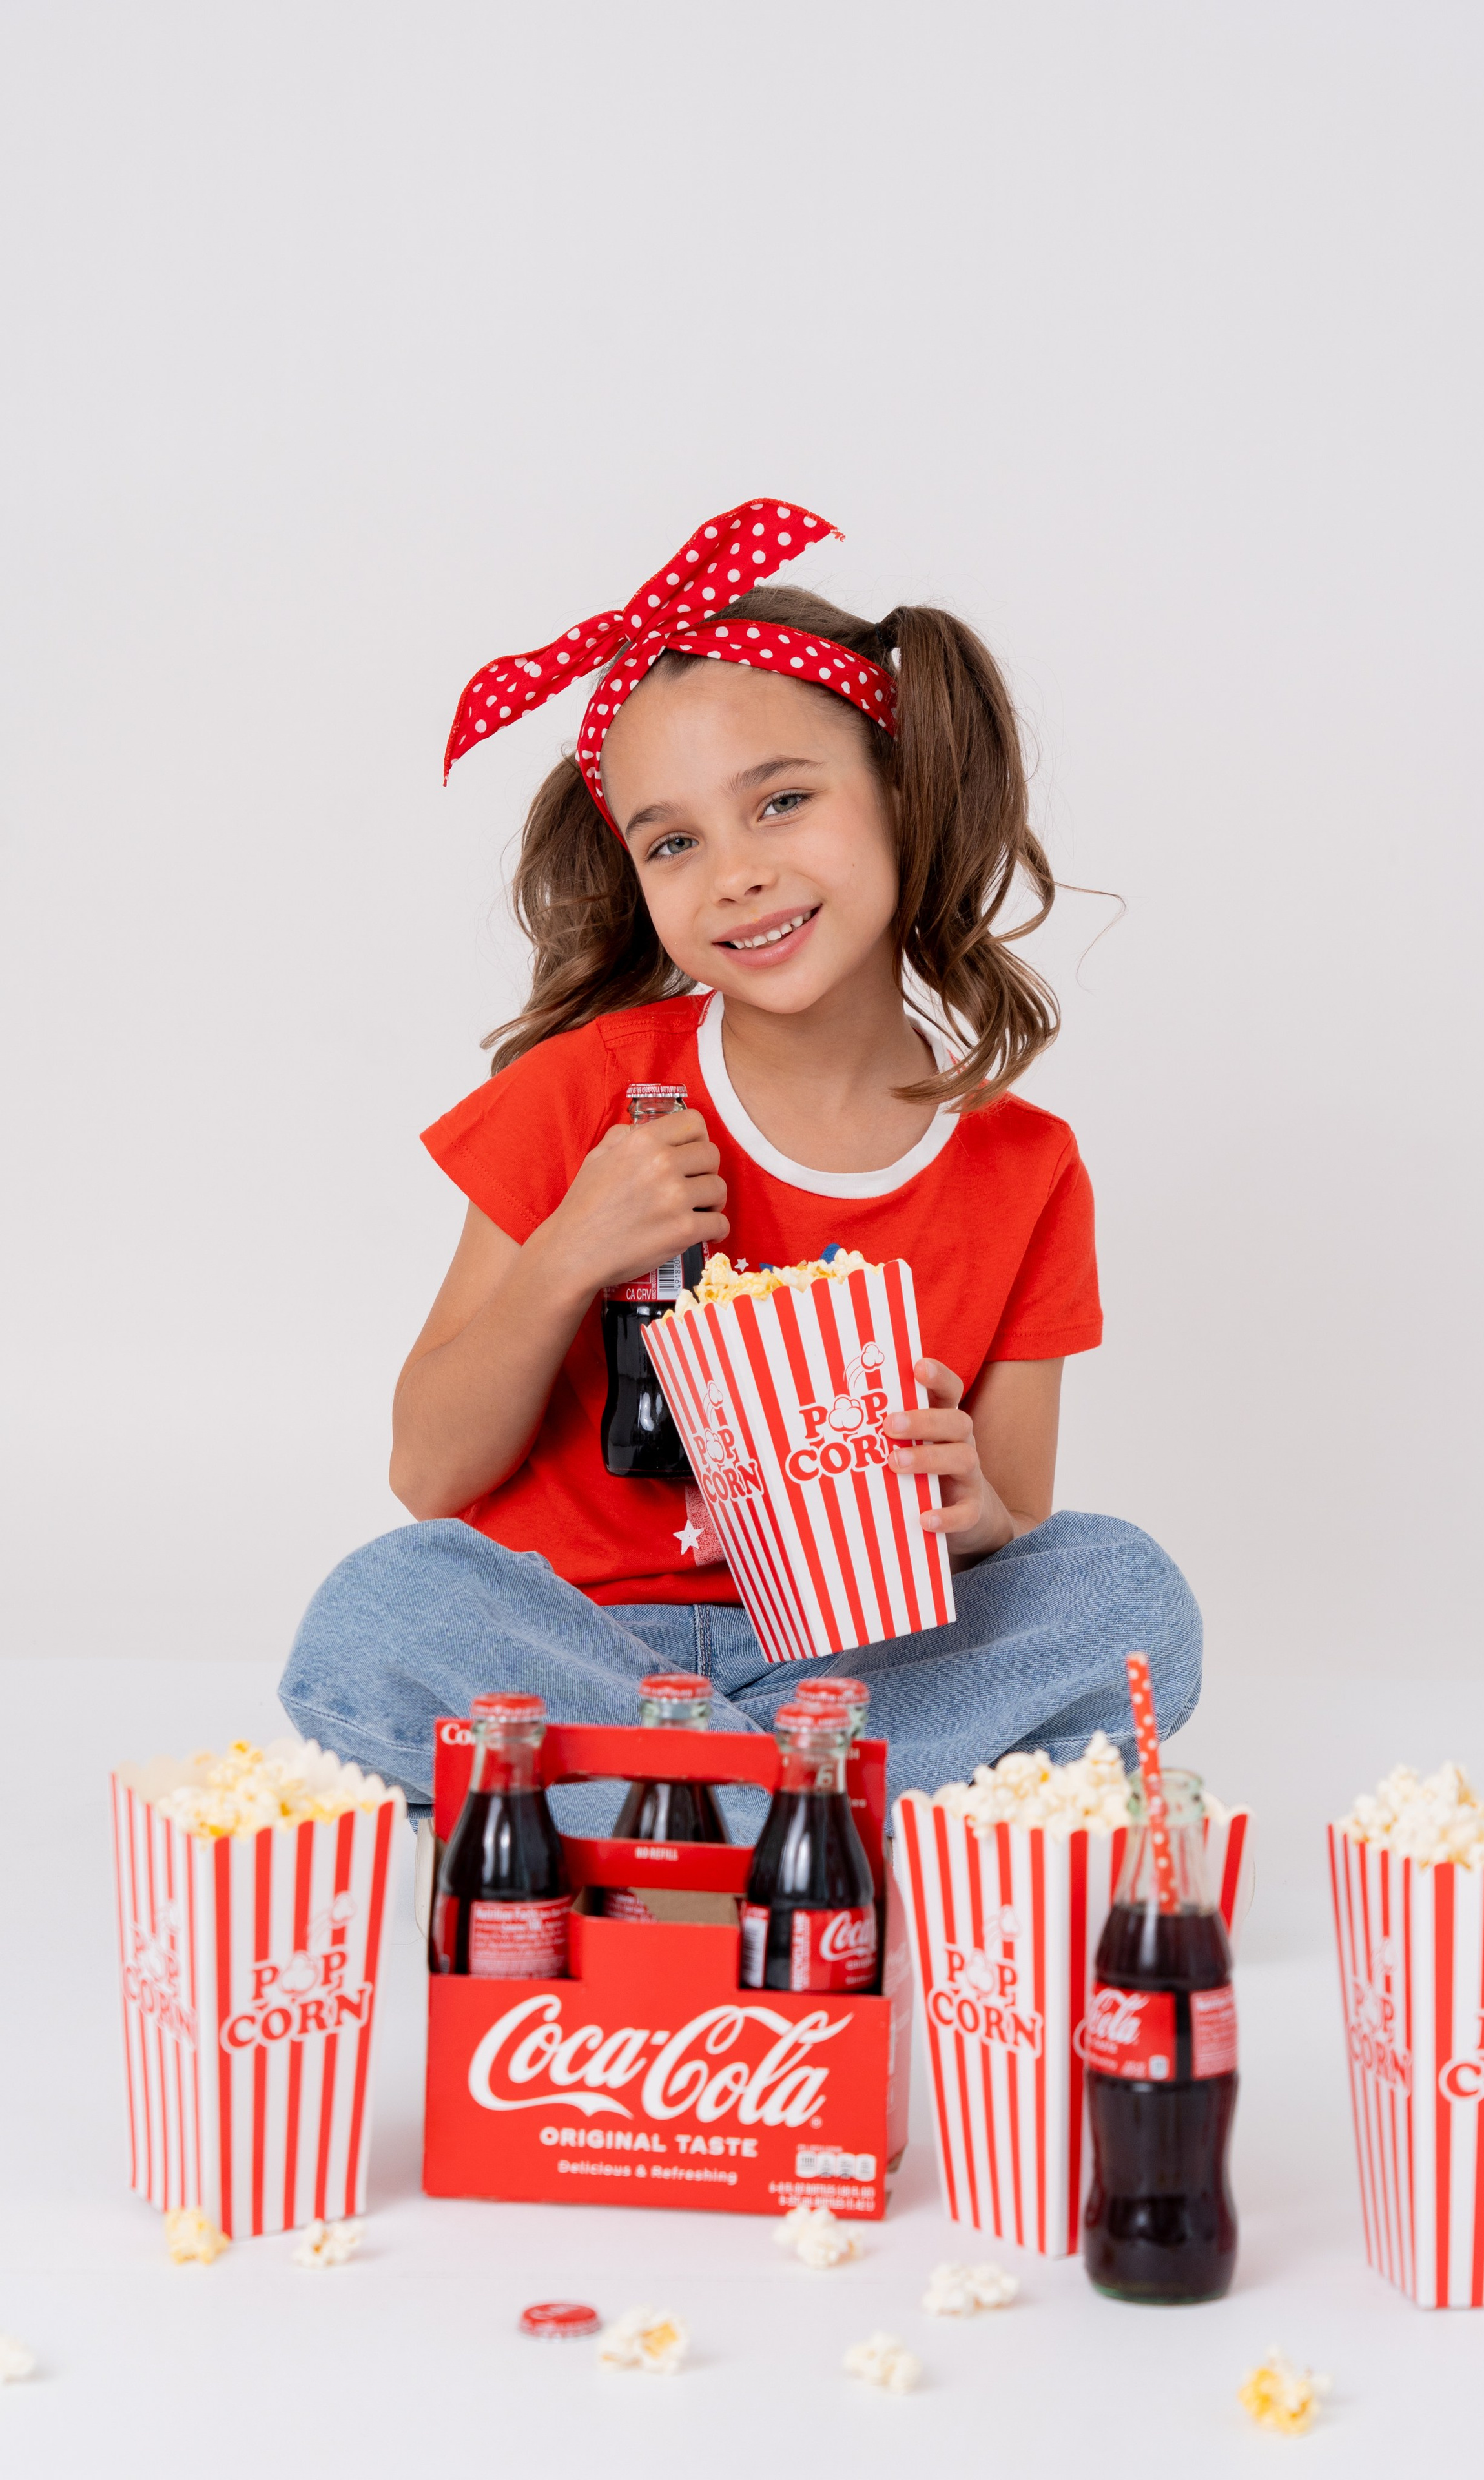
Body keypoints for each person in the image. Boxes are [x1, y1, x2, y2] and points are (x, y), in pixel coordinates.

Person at [278, 498, 1201, 1835]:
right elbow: (427, 1471)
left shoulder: (1026, 1168)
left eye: (781, 801)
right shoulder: (584, 1096)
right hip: (578, 1642)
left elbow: (1015, 1530)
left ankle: (672, 1808)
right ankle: (810, 1815)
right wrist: (570, 1253)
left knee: (1125, 1591)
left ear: (901, 791)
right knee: (387, 1602)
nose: (737, 875)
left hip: (863, 1669)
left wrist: (975, 1509)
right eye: (673, 841)